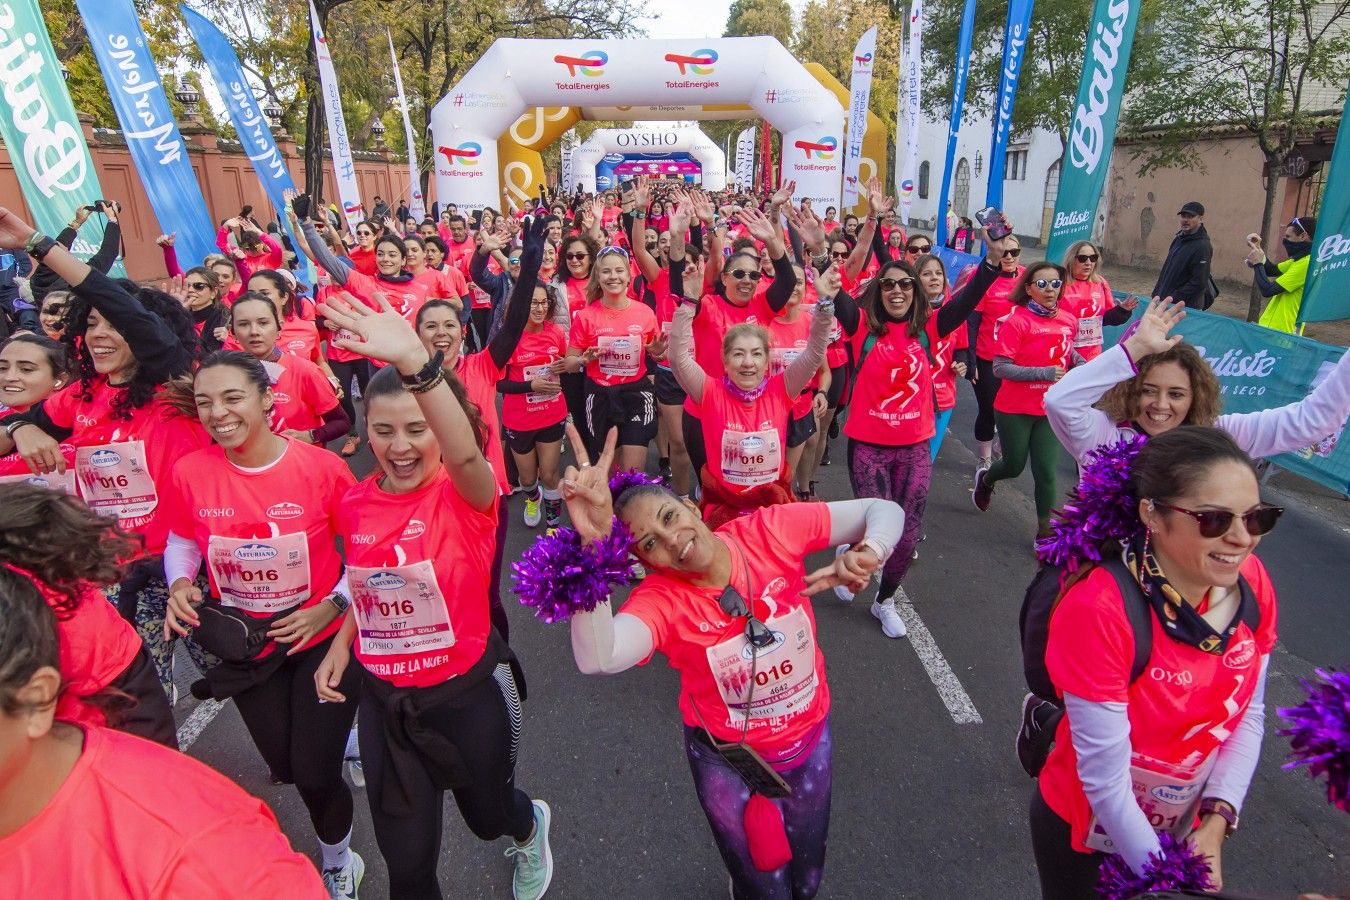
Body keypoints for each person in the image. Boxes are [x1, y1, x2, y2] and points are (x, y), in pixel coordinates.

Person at [562, 426, 903, 900]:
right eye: (650, 544)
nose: (672, 539)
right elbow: (597, 658)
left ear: (690, 506)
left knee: (807, 883)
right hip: (728, 765)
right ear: (645, 563)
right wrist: (592, 547)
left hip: (809, 746)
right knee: (762, 890)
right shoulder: (661, 601)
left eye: (669, 517)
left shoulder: (769, 530)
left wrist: (870, 550)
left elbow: (882, 511)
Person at [313, 293, 554, 900]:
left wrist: (418, 362)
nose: (400, 446)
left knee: (489, 818)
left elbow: (467, 451)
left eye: (417, 429)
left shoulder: (468, 494)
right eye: (384, 430)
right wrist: (342, 641)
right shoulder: (355, 502)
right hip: (385, 703)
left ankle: (530, 827)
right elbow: (371, 578)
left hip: (467, 698)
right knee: (409, 868)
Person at [1032, 427, 1279, 898]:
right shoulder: (1100, 608)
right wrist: (1175, 880)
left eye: (1257, 518)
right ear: (1152, 513)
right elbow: (1105, 785)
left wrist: (1217, 818)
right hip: (1086, 831)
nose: (1240, 538)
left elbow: (1249, 713)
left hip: (1183, 822)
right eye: (1213, 519)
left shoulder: (1252, 585)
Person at [163, 351, 365, 897]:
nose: (218, 413)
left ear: (266, 400)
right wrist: (180, 583)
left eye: (232, 398)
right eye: (205, 402)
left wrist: (334, 605)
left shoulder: (322, 469)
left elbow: (368, 551)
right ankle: (343, 739)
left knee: (315, 773)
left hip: (321, 639)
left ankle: (339, 859)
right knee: (287, 765)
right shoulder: (191, 471)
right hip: (248, 648)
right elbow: (181, 538)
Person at [0, 562, 328, 897]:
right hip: (136, 595)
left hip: (182, 613)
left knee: (239, 681)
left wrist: (335, 604)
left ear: (36, 699)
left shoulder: (200, 854)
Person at [0, 207, 214, 697]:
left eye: (114, 325)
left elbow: (120, 304)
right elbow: (12, 436)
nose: (99, 334)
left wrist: (37, 242)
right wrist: (18, 426)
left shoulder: (175, 384)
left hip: (190, 563)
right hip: (114, 572)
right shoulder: (78, 396)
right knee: (136, 693)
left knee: (239, 674)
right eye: (91, 323)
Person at [841, 229, 1005, 635]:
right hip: (868, 446)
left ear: (916, 291)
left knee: (907, 536)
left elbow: (970, 297)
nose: (897, 291)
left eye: (905, 284)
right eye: (889, 284)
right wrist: (813, 248)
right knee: (877, 527)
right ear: (878, 291)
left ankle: (884, 601)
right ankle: (854, 549)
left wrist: (992, 258)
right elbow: (837, 288)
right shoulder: (861, 327)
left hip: (913, 447)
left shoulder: (932, 327)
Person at [412, 216, 553, 640]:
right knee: (438, 586)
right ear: (417, 335)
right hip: (427, 499)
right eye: (430, 326)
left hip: (486, 499)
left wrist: (529, 267)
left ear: (462, 331)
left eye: (449, 325)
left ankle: (497, 660)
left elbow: (514, 322)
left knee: (487, 592)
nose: (441, 333)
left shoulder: (483, 366)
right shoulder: (404, 381)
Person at [1045, 296, 1350, 465]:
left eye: (1176, 394)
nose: (1160, 405)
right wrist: (1136, 348)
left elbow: (1311, 422)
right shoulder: (1102, 435)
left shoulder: (1216, 437)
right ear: (1131, 390)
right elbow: (1059, 401)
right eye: (1149, 390)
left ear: (1196, 398)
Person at [668, 262, 834, 528]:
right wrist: (688, 303)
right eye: (738, 354)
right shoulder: (708, 391)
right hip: (724, 512)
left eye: (756, 354)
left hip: (770, 510)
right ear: (725, 361)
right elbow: (677, 358)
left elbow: (814, 352)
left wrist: (825, 304)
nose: (748, 363)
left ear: (767, 361)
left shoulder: (782, 389)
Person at [973, 262, 1080, 539]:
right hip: (1014, 409)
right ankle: (987, 479)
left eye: (1055, 283)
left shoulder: (1069, 320)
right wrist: (1044, 373)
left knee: (1046, 471)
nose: (1050, 289)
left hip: (1050, 409)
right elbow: (1000, 368)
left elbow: (1067, 353)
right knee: (1014, 466)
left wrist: (1084, 365)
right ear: (1029, 289)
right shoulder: (1017, 321)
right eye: (1042, 284)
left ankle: (1045, 531)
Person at [228, 292, 349, 443]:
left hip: (301, 456)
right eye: (243, 324)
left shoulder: (306, 371)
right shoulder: (227, 376)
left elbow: (341, 423)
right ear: (233, 332)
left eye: (263, 323)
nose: (254, 331)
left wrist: (310, 436)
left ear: (279, 327)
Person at [499, 280, 569, 529]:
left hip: (552, 414)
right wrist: (531, 386)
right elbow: (497, 384)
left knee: (550, 474)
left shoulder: (556, 332)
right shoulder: (508, 338)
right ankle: (533, 498)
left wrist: (564, 366)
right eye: (532, 303)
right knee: (528, 479)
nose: (540, 308)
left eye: (543, 302)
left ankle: (553, 525)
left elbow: (563, 363)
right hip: (520, 419)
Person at [967, 232, 1025, 474]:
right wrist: (970, 360)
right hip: (988, 358)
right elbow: (971, 322)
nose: (1009, 257)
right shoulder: (985, 278)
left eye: (1014, 252)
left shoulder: (1028, 278)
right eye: (1004, 252)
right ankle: (985, 459)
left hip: (1020, 359)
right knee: (989, 409)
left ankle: (1001, 446)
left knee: (1015, 408)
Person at [913, 253, 970, 462]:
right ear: (915, 279)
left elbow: (961, 348)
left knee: (927, 458)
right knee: (909, 458)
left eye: (938, 273)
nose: (934, 278)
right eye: (927, 274)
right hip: (911, 397)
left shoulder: (953, 312)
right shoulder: (906, 312)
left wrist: (960, 363)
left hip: (943, 396)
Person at [1060, 241, 1136, 362]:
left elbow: (1106, 318)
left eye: (1093, 258)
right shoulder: (1058, 283)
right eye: (1082, 258)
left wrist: (1122, 311)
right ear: (1071, 259)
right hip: (1062, 351)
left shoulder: (1100, 282)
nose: (1088, 263)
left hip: (1091, 353)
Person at [1249, 216, 1315, 334]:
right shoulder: (1299, 260)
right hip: (1271, 330)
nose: (1284, 240)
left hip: (1283, 334)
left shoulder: (1307, 264)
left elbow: (1267, 290)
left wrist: (1257, 263)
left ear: (1303, 236)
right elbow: (1271, 270)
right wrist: (1258, 249)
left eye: (1288, 237)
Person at [1152, 201, 1214, 310]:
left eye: (1190, 216)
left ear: (1200, 219)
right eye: (1183, 216)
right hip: (1165, 303)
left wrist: (1172, 299)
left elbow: (1198, 283)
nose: (1185, 220)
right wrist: (1156, 293)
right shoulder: (1179, 239)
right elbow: (1167, 271)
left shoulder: (1202, 246)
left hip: (1184, 309)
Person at [181, 266, 230, 354]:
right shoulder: (181, 315)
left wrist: (228, 339)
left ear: (214, 292)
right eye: (187, 286)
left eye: (198, 286)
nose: (190, 290)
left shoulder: (226, 317)